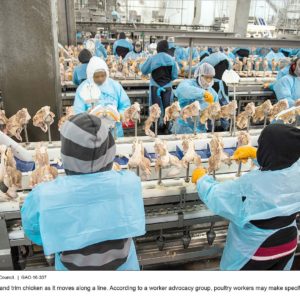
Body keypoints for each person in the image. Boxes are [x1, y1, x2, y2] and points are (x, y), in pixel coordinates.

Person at [21, 113, 145, 270]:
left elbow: (35, 232)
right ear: (110, 152)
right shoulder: (129, 182)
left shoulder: (43, 196)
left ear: (66, 155)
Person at [192, 123, 300, 270]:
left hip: (257, 249)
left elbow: (218, 196)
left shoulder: (252, 185)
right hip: (288, 241)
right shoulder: (297, 170)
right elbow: (280, 164)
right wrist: (255, 155)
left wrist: (202, 180)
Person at [73, 56, 131, 137]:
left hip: (114, 132)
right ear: (90, 75)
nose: (100, 79)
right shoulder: (83, 89)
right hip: (92, 133)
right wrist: (87, 116)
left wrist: (120, 115)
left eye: (103, 75)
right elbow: (78, 112)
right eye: (96, 76)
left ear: (107, 73)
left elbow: (125, 105)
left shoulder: (115, 86)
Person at [141, 40, 178, 134]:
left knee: (155, 108)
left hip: (155, 87)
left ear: (157, 48)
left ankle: (155, 128)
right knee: (168, 108)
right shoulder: (172, 59)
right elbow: (174, 76)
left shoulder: (152, 58)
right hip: (167, 87)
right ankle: (166, 128)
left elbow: (144, 70)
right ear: (167, 48)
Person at [172, 63, 218, 134]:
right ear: (199, 75)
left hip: (201, 128)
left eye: (211, 78)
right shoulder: (187, 83)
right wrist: (203, 93)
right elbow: (181, 90)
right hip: (183, 126)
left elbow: (216, 110)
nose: (208, 80)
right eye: (206, 77)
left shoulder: (213, 93)